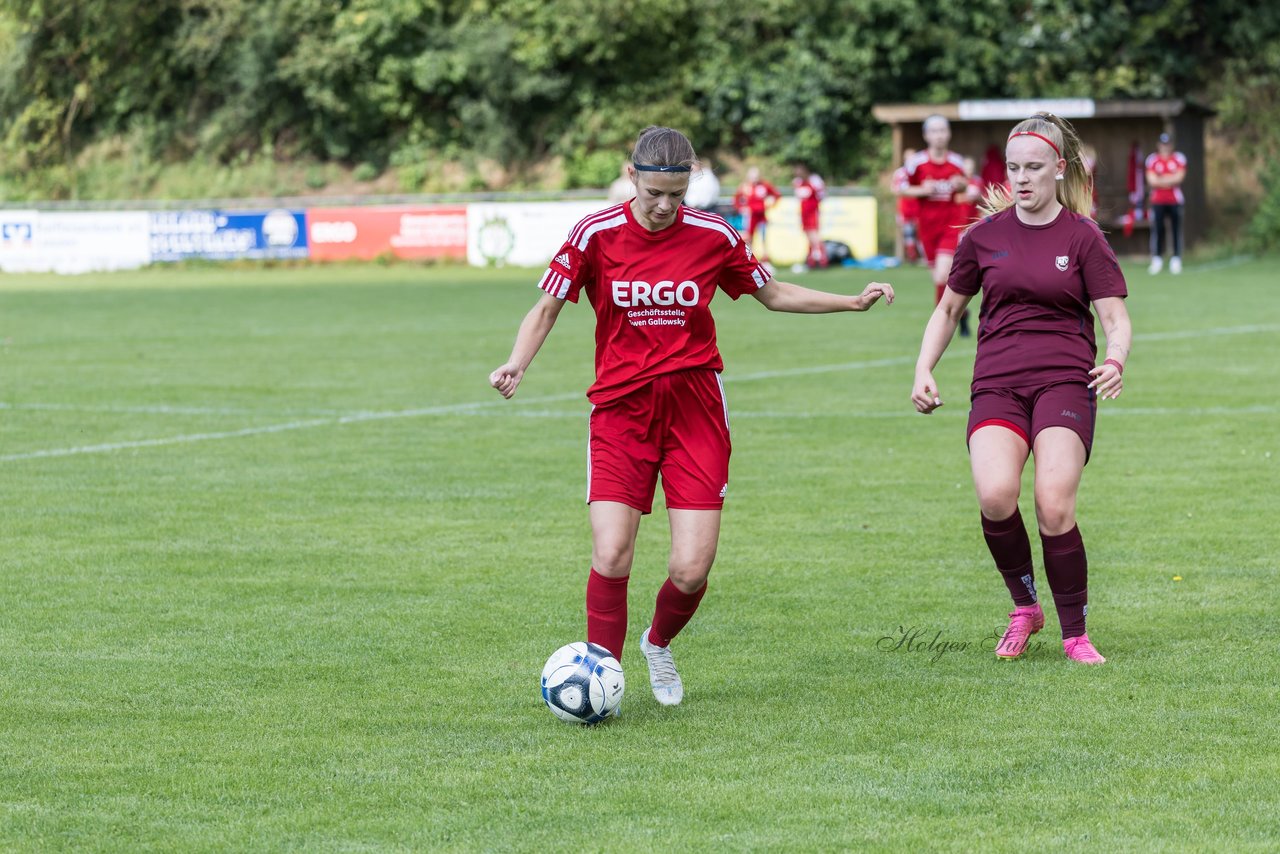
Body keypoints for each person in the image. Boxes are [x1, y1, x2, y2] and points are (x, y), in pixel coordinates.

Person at [491, 126, 895, 707]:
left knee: (690, 567)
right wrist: (516, 363)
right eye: (654, 192)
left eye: (676, 195)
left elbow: (773, 293)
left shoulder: (714, 235)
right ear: (632, 177)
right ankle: (606, 681)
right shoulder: (595, 233)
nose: (663, 206)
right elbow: (547, 305)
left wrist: (850, 302)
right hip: (621, 411)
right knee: (611, 553)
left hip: (695, 411)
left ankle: (658, 642)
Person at [910, 112, 1132, 665]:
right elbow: (948, 310)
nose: (1023, 179)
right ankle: (1025, 607)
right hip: (997, 385)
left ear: (1059, 169)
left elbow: (1116, 318)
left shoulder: (1083, 237)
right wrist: (923, 368)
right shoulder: (983, 237)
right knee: (994, 494)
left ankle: (1075, 634)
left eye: (1034, 168)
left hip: (1064, 381)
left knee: (1053, 501)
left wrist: (1116, 359)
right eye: (1014, 169)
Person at [895, 115, 972, 336]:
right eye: (934, 131)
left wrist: (961, 184)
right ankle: (962, 315)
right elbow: (900, 188)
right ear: (926, 135)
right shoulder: (916, 162)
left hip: (951, 225)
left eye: (943, 130)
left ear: (948, 134)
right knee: (939, 279)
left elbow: (965, 186)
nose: (939, 135)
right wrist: (922, 190)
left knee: (942, 276)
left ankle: (941, 323)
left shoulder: (956, 162)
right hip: (927, 228)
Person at [1145, 132, 1187, 275]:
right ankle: (1157, 259)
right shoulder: (1152, 160)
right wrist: (1169, 179)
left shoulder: (1178, 158)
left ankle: (1176, 259)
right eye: (1163, 144)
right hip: (1157, 201)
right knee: (1158, 229)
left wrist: (1161, 179)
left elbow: (1179, 178)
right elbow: (1152, 181)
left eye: (1167, 144)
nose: (1165, 147)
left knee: (1176, 229)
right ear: (1159, 145)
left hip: (1175, 200)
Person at [733, 167, 782, 264]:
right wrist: (741, 208)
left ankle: (765, 259)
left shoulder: (764, 185)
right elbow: (736, 199)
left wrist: (770, 205)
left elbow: (776, 194)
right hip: (750, 216)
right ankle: (750, 259)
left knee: (764, 237)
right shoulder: (745, 186)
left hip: (761, 215)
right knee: (749, 237)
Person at [891, 148, 924, 264]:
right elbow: (894, 189)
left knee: (922, 233)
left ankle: (926, 257)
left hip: (919, 208)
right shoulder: (900, 173)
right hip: (905, 208)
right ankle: (912, 257)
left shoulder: (920, 171)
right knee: (908, 233)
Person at [792, 163, 828, 268]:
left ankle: (821, 258)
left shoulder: (814, 180)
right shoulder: (798, 182)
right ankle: (812, 258)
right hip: (804, 213)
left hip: (812, 212)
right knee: (808, 235)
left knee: (814, 234)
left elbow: (821, 194)